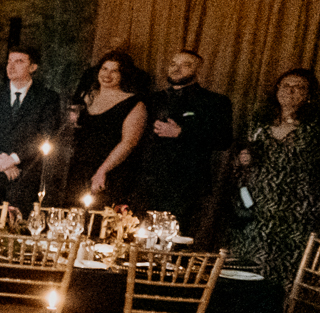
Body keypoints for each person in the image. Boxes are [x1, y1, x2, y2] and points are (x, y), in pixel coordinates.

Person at [231, 69, 320, 289]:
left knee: (283, 270)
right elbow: (242, 163)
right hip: (255, 204)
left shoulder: (314, 129)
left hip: (296, 209)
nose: (290, 90)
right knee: (246, 264)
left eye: (299, 87)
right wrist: (242, 159)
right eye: (285, 85)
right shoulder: (260, 123)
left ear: (308, 95)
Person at [139, 50, 234, 232]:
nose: (177, 69)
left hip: (186, 186)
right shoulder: (153, 99)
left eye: (186, 65)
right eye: (174, 64)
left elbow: (224, 140)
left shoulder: (214, 102)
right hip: (147, 182)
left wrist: (182, 132)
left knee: (172, 244)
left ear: (198, 71)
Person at [0, 46, 64, 207]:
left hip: (25, 174)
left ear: (33, 67)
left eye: (19, 61)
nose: (11, 66)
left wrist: (13, 159)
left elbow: (46, 135)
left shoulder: (47, 98)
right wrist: (1, 160)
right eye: (9, 61)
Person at [67, 51, 149, 206]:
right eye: (104, 69)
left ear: (123, 74)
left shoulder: (135, 104)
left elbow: (128, 143)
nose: (107, 74)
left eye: (114, 70)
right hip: (78, 167)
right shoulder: (85, 96)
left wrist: (102, 171)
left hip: (109, 171)